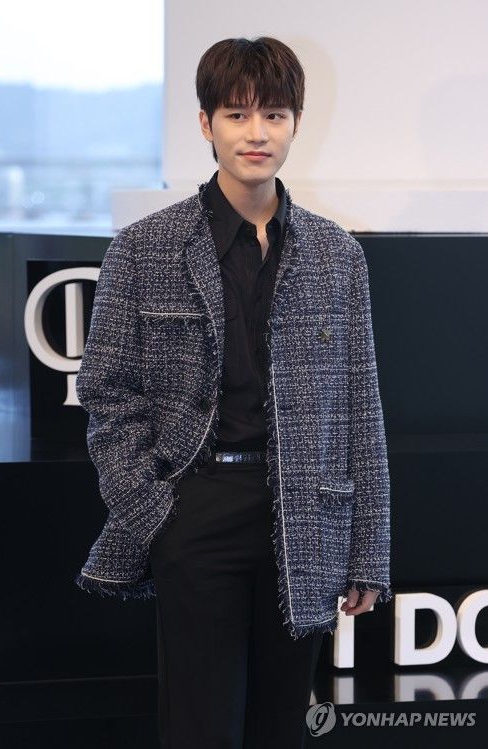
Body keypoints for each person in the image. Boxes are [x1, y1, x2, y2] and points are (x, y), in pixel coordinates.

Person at [74, 36, 393, 749]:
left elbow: (360, 409)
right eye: (237, 114)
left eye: (274, 115)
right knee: (200, 727)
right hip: (195, 509)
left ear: (295, 124)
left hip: (306, 514)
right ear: (205, 124)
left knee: (281, 726)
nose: (257, 133)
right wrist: (155, 510)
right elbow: (107, 393)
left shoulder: (337, 255)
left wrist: (367, 549)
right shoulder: (143, 247)